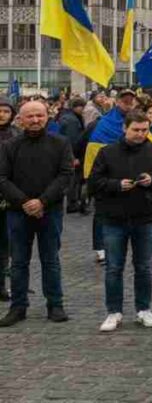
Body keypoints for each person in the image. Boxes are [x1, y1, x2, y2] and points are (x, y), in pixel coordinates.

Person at [88, 111, 152, 332]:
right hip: (113, 217)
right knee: (114, 268)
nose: (140, 134)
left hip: (145, 217)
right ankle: (113, 311)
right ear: (124, 128)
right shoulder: (107, 152)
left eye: (145, 130)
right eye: (136, 129)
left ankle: (143, 309)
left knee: (144, 267)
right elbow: (94, 182)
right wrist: (117, 185)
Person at [0, 101, 74, 326]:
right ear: (20, 119)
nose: (35, 120)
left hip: (49, 211)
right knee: (19, 262)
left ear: (47, 117)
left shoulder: (61, 143)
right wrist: (24, 202)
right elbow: (2, 178)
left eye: (39, 115)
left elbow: (65, 175)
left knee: (50, 259)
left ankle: (55, 304)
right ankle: (18, 307)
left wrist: (42, 201)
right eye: (30, 116)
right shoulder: (9, 145)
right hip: (17, 211)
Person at [0, 95, 19, 302]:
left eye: (6, 111)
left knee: (6, 244)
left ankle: (2, 286)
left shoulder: (16, 134)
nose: (2, 115)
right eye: (0, 111)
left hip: (10, 196)